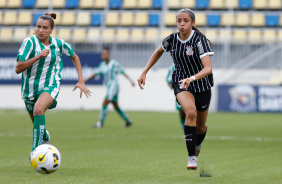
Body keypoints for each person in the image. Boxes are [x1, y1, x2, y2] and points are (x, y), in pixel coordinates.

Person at [137, 9, 214, 170]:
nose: (182, 23)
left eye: (185, 20)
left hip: (202, 84)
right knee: (190, 112)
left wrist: (192, 78)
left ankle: (198, 143)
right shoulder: (171, 39)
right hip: (181, 82)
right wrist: (144, 71)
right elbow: (158, 52)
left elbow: (208, 68)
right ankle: (192, 157)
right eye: (179, 20)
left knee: (201, 128)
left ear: (192, 23)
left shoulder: (199, 40)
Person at [15, 13, 91, 152]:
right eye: (38, 27)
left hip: (51, 85)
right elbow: (18, 68)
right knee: (37, 119)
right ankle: (44, 135)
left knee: (38, 109)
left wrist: (81, 80)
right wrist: (38, 56)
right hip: (29, 89)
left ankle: (36, 152)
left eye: (45, 27)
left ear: (51, 30)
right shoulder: (29, 42)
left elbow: (75, 57)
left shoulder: (59, 44)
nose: (41, 30)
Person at [84, 47, 135, 128]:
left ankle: (100, 123)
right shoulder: (102, 65)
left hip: (114, 86)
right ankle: (128, 120)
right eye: (103, 54)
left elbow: (122, 72)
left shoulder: (114, 63)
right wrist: (85, 80)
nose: (104, 55)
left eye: (105, 54)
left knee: (105, 102)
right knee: (115, 106)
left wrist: (131, 80)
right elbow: (95, 74)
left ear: (109, 55)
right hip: (109, 87)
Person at [166, 63, 185, 130]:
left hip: (193, 90)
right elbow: (168, 80)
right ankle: (183, 125)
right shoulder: (173, 67)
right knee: (181, 111)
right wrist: (173, 86)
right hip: (180, 92)